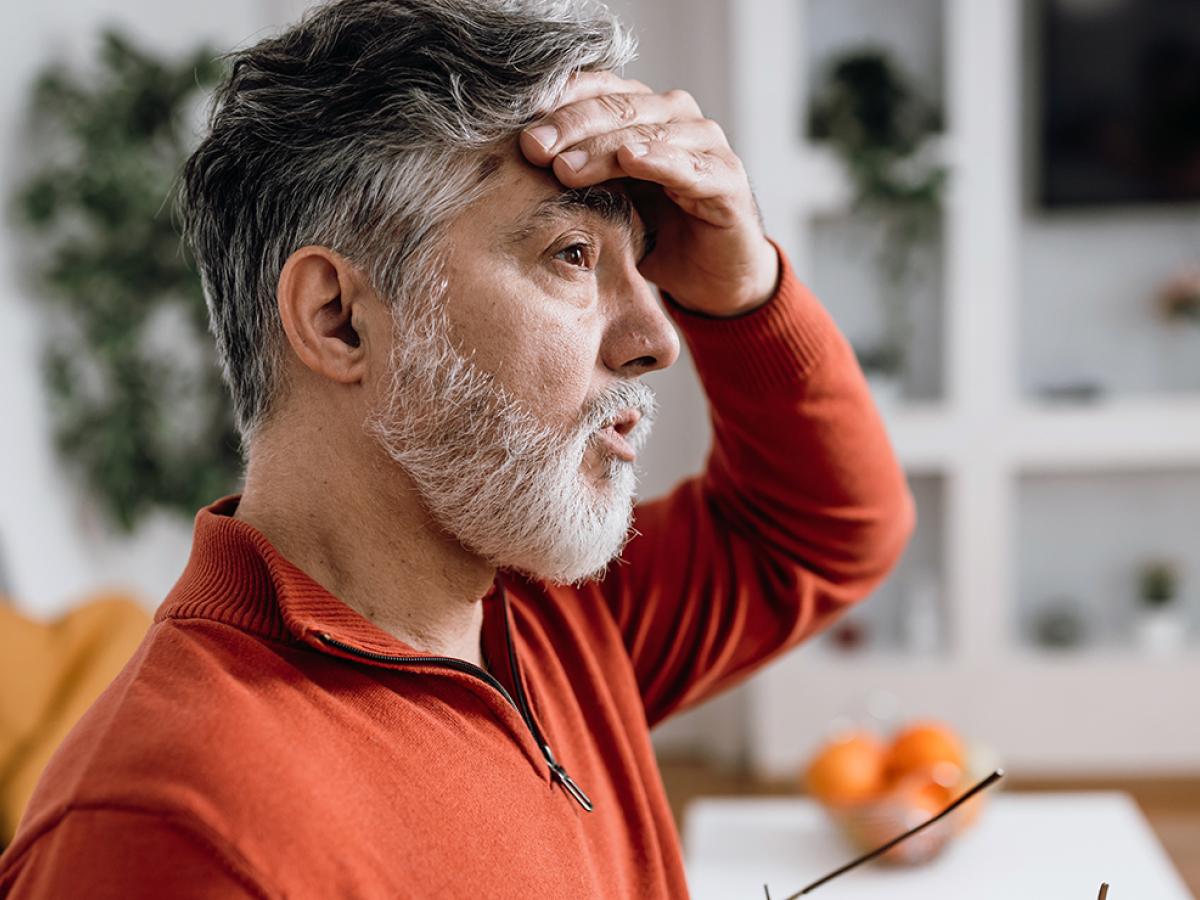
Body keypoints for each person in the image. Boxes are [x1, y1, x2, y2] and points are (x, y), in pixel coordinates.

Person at [0, 0, 915, 896]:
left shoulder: (544, 615)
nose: (659, 336)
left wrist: (746, 289)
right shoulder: (174, 834)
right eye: (571, 254)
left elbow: (821, 531)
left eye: (645, 259)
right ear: (340, 319)